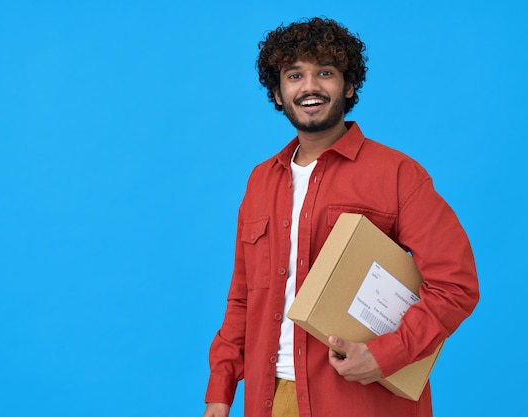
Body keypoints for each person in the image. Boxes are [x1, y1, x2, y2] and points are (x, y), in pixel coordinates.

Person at [203, 17, 479, 417]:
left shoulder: (398, 174)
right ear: (278, 93)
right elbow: (243, 299)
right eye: (294, 75)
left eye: (325, 73)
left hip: (361, 401)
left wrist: (385, 354)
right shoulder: (260, 181)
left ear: (348, 86)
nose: (309, 86)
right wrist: (220, 391)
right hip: (271, 399)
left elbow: (456, 285)